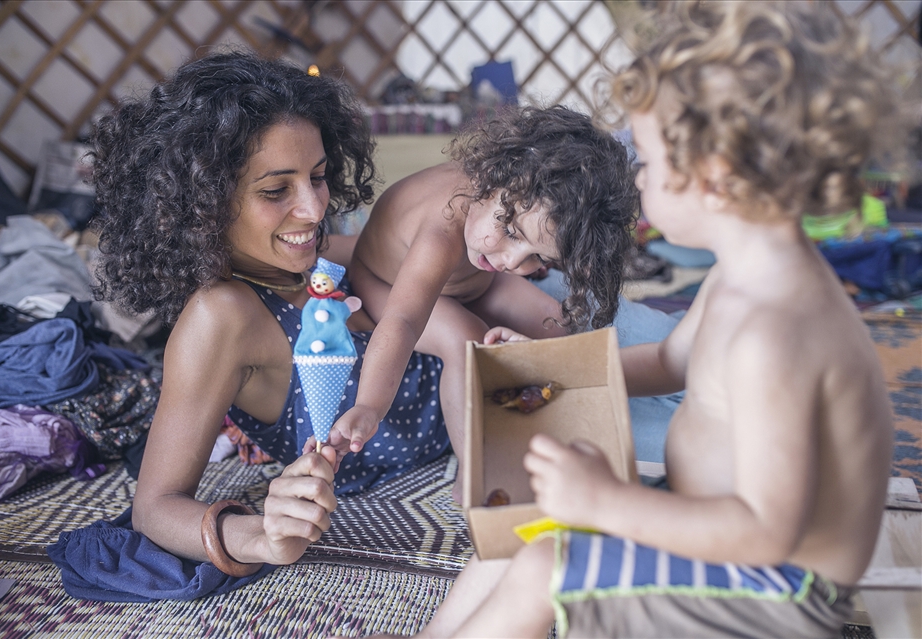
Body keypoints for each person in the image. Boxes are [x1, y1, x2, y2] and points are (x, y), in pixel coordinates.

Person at [349, 1, 903, 637]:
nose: (642, 179)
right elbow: (669, 363)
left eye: (651, 160)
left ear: (713, 178)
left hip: (774, 589)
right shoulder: (741, 281)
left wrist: (610, 502)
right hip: (704, 528)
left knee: (546, 566)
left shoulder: (775, 331)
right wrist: (538, 369)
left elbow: (768, 530)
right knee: (525, 537)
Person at [89, 50, 451, 572]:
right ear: (203, 202)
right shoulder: (223, 316)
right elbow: (155, 508)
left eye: (319, 176)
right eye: (276, 190)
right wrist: (259, 538)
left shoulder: (323, 262)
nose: (314, 207)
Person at [332, 106, 638, 498]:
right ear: (493, 179)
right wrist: (369, 407)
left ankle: (563, 431)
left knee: (556, 324)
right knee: (466, 340)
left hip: (474, 279)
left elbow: (507, 263)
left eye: (539, 258)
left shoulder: (494, 243)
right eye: (510, 231)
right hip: (386, 283)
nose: (513, 261)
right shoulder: (443, 226)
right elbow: (403, 321)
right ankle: (474, 471)